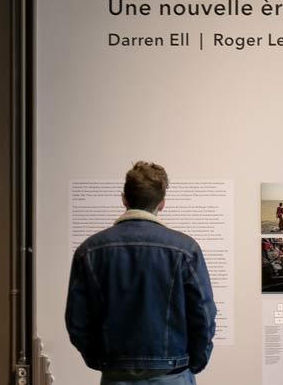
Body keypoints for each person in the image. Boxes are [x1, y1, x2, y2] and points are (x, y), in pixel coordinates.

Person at [67, 162, 216, 384]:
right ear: (162, 202)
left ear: (124, 199)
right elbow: (203, 316)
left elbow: (77, 321)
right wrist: (193, 363)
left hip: (116, 375)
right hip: (172, 374)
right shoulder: (185, 249)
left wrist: (101, 361)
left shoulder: (89, 251)